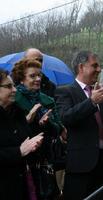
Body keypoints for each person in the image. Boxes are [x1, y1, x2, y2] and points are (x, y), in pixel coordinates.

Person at [55, 50, 103, 200]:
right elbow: (66, 117)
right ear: (81, 67)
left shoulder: (101, 90)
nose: (99, 69)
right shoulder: (65, 91)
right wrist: (91, 102)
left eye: (99, 65)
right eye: (94, 65)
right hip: (81, 167)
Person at [11, 58, 65, 200]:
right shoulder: (12, 99)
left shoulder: (47, 100)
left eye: (39, 75)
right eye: (32, 76)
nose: (38, 79)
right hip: (22, 162)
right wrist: (29, 119)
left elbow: (59, 128)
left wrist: (47, 124)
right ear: (21, 79)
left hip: (45, 160)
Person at [0, 69, 43, 200]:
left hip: (25, 183)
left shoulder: (17, 111)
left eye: (13, 85)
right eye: (8, 86)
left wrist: (34, 143)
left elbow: (26, 139)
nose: (14, 90)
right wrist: (19, 151)